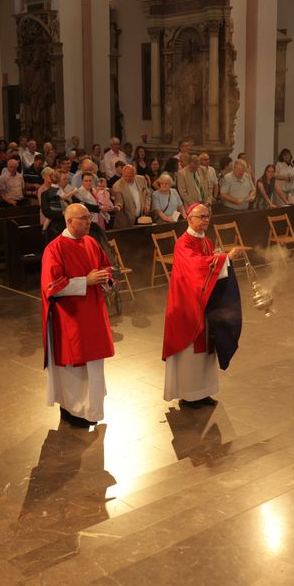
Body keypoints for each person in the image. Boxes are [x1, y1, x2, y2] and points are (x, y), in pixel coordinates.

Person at [40, 203, 116, 428]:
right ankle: (73, 410)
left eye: (89, 217)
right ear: (69, 221)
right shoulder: (55, 248)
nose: (88, 221)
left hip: (93, 313)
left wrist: (105, 278)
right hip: (71, 317)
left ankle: (91, 409)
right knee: (76, 367)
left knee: (93, 367)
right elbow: (51, 286)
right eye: (83, 218)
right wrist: (86, 281)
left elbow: (106, 267)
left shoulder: (91, 242)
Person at [162, 204, 243, 408]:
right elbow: (196, 268)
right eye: (201, 217)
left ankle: (202, 392)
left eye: (208, 216)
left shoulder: (205, 240)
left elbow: (208, 263)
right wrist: (225, 258)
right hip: (186, 307)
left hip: (204, 304)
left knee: (206, 353)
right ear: (189, 219)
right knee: (191, 353)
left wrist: (218, 258)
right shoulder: (183, 243)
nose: (206, 220)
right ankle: (188, 395)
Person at [110, 165, 151, 229]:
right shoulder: (117, 186)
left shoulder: (141, 179)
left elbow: (147, 194)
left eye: (130, 176)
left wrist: (147, 205)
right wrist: (118, 206)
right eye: (125, 176)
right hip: (126, 221)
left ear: (135, 174)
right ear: (122, 174)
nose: (128, 178)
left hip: (141, 217)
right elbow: (119, 201)